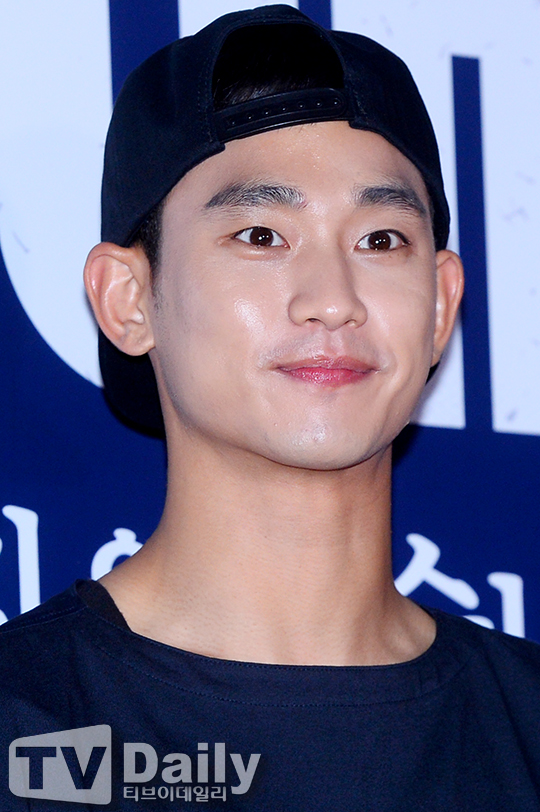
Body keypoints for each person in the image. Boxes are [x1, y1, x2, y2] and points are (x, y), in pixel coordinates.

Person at [2, 5, 540, 809]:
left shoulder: (526, 722)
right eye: (260, 235)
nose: (333, 300)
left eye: (381, 240)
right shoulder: (27, 728)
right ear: (128, 299)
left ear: (440, 306)